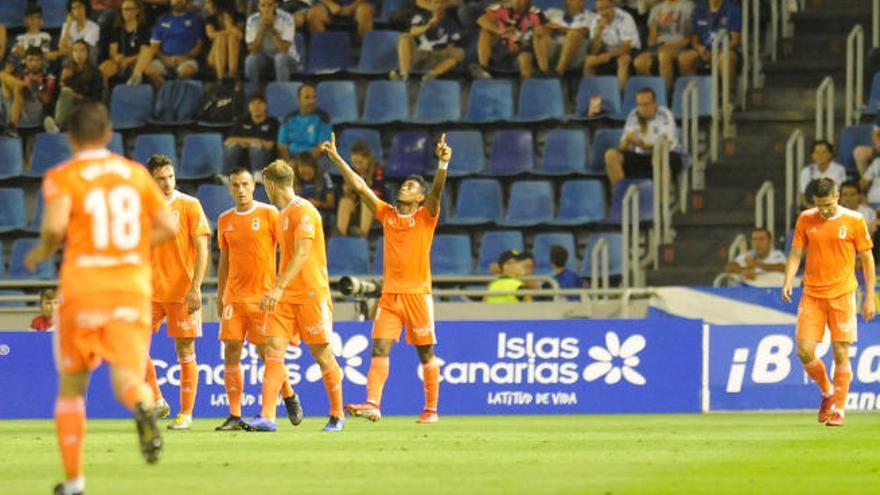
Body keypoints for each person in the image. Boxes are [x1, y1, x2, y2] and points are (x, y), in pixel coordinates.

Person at [24, 101, 176, 495]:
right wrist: (130, 248)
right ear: (109, 135)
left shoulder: (63, 175)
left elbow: (56, 227)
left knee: (73, 387)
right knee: (128, 376)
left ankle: (74, 482)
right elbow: (167, 226)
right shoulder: (135, 174)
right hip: (131, 287)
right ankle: (143, 406)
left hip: (84, 288)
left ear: (70, 138)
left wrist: (41, 250)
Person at [323, 132, 451, 424]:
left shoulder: (425, 217)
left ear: (419, 197)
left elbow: (438, 192)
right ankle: (373, 404)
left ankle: (431, 410)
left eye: (410, 187)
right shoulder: (388, 214)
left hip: (418, 295)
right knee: (379, 347)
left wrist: (442, 165)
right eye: (404, 185)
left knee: (426, 353)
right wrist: (337, 158)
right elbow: (359, 186)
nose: (403, 188)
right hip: (391, 296)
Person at [243, 159, 345, 432]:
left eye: (264, 185)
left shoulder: (304, 212)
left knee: (322, 355)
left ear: (271, 184)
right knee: (272, 350)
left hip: (312, 295)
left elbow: (302, 253)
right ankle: (267, 416)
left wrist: (276, 287)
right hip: (286, 298)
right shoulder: (283, 214)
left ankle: (337, 414)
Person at [782, 177, 876, 427]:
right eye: (818, 205)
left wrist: (869, 297)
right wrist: (789, 279)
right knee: (804, 351)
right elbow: (796, 252)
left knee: (841, 353)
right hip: (812, 294)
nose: (823, 210)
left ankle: (840, 411)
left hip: (843, 295)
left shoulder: (854, 220)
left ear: (837, 197)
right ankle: (827, 392)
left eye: (827, 205)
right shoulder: (805, 218)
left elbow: (867, 259)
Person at [215, 167, 302, 431]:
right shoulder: (224, 219)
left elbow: (287, 250)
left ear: (254, 186)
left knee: (265, 353)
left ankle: (288, 394)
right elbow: (225, 260)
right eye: (235, 185)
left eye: (245, 184)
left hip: (264, 297)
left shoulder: (269, 213)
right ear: (230, 188)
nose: (241, 190)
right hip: (235, 297)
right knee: (231, 349)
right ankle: (234, 414)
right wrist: (220, 294)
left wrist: (280, 289)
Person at [142, 155, 211, 431]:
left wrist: (196, 287)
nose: (167, 182)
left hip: (182, 292)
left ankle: (186, 414)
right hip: (149, 292)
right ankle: (157, 399)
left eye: (170, 176)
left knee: (185, 349)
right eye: (161, 178)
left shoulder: (189, 205)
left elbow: (203, 248)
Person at [604, 87, 682, 189]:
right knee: (611, 155)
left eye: (646, 104)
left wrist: (642, 145)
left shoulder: (664, 114)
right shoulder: (633, 115)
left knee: (659, 157)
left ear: (655, 104)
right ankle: (622, 198)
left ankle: (661, 202)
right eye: (639, 105)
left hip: (667, 155)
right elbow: (622, 148)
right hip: (641, 157)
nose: (642, 109)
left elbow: (665, 145)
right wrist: (627, 140)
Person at [129, 0, 205, 87]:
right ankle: (166, 90)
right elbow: (154, 46)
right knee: (149, 70)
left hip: (186, 59)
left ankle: (173, 91)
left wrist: (185, 57)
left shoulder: (195, 19)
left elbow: (199, 45)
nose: (178, 1)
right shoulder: (162, 19)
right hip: (164, 58)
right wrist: (165, 59)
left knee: (185, 71)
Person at [389, 0, 465, 82]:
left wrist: (440, 52)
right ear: (430, 5)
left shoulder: (451, 23)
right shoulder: (421, 17)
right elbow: (412, 31)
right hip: (420, 53)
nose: (438, 6)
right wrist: (429, 25)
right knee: (404, 37)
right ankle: (404, 75)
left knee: (459, 53)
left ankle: (431, 75)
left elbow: (451, 46)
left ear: (445, 5)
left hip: (437, 56)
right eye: (435, 3)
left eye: (441, 3)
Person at [473, 0, 550, 80]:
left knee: (525, 58)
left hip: (524, 47)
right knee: (485, 32)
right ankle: (484, 68)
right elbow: (481, 20)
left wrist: (521, 41)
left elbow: (542, 34)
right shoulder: (502, 9)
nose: (520, 2)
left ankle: (531, 82)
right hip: (503, 45)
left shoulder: (535, 13)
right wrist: (499, 31)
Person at [633, 0, 694, 91]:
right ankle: (652, 93)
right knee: (640, 62)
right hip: (660, 47)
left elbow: (689, 38)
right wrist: (653, 50)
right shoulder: (656, 9)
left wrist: (671, 46)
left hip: (681, 47)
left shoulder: (689, 6)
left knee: (664, 56)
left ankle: (667, 94)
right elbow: (652, 38)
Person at [678, 0, 740, 89]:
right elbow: (695, 40)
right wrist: (700, 48)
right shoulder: (699, 9)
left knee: (726, 58)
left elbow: (735, 41)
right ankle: (699, 94)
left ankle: (728, 97)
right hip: (704, 50)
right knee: (685, 58)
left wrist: (718, 51)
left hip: (724, 49)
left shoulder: (732, 9)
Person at [0, 47, 57, 138]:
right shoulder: (18, 74)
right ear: (25, 61)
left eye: (37, 60)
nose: (33, 63)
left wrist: (39, 85)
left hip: (33, 114)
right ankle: (12, 125)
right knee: (4, 76)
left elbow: (47, 101)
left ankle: (12, 126)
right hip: (12, 109)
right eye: (30, 60)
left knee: (17, 86)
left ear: (42, 61)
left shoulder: (49, 78)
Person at [47, 41, 103, 132]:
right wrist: (62, 80)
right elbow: (56, 97)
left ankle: (57, 126)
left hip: (86, 107)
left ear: (88, 53)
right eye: (75, 51)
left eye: (82, 51)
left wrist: (76, 96)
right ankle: (58, 125)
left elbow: (97, 98)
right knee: (65, 92)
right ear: (71, 54)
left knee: (67, 92)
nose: (78, 54)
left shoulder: (95, 72)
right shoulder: (66, 70)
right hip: (68, 107)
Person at [583, 0, 640, 89]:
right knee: (589, 61)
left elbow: (626, 48)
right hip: (607, 52)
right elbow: (594, 51)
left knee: (623, 61)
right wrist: (598, 32)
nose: (603, 12)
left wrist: (608, 55)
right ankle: (592, 95)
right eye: (600, 9)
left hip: (630, 52)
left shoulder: (625, 18)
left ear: (613, 6)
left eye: (606, 8)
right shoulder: (595, 20)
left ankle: (622, 97)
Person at [99, 0, 151, 91]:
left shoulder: (144, 29)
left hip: (137, 60)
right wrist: (116, 57)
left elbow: (145, 52)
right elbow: (113, 51)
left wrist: (128, 60)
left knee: (147, 67)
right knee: (103, 68)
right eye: (123, 9)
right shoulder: (117, 29)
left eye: (129, 9)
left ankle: (135, 80)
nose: (125, 12)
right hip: (120, 61)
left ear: (137, 10)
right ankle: (105, 97)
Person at [244, 0, 299, 85]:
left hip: (288, 58)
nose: (266, 9)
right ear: (258, 7)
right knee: (250, 60)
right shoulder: (252, 20)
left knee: (280, 58)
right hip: (264, 58)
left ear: (276, 6)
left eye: (270, 5)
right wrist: (263, 28)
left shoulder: (287, 18)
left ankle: (283, 92)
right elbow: (253, 50)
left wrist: (272, 29)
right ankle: (253, 93)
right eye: (263, 5)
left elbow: (284, 49)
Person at [336, 140, 384, 237]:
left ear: (368, 159)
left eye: (361, 162)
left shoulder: (377, 171)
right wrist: (347, 191)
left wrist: (360, 193)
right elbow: (349, 194)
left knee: (366, 202)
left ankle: (362, 236)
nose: (358, 166)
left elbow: (377, 194)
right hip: (357, 207)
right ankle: (341, 237)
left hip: (375, 207)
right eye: (354, 163)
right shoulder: (352, 172)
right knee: (345, 202)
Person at [223, 93, 278, 174]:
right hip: (243, 157)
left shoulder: (273, 122)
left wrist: (250, 143)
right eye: (253, 104)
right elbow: (228, 140)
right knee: (231, 147)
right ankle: (227, 176)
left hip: (264, 158)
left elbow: (270, 145)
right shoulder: (242, 121)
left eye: (260, 103)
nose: (256, 107)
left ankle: (258, 175)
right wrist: (253, 141)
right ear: (249, 107)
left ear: (265, 106)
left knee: (255, 148)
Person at [277, 83, 332, 161]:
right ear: (299, 99)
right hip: (291, 160)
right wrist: (288, 163)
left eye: (314, 97)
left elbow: (322, 147)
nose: (311, 101)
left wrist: (303, 163)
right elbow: (282, 146)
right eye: (307, 97)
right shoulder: (288, 118)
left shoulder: (323, 118)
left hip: (315, 160)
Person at [541, 0, 592, 77]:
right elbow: (536, 18)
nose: (567, 2)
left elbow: (585, 32)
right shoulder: (553, 13)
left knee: (573, 34)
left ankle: (558, 72)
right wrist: (547, 26)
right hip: (553, 52)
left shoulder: (590, 16)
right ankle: (544, 71)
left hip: (576, 55)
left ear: (582, 2)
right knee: (540, 31)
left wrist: (561, 29)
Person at [203, 0, 244, 83]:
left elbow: (239, 35)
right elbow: (211, 35)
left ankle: (232, 74)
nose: (206, 6)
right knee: (221, 38)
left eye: (208, 3)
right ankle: (221, 77)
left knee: (232, 37)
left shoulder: (239, 16)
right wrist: (229, 30)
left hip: (236, 54)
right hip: (214, 57)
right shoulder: (210, 18)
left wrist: (230, 25)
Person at [799, 140, 846, 207]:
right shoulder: (806, 171)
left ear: (830, 154)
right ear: (812, 155)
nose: (820, 155)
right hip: (812, 207)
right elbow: (803, 195)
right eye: (817, 152)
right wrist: (812, 209)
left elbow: (841, 193)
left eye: (823, 152)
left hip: (833, 207)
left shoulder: (839, 170)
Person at [292, 152, 336, 217]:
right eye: (303, 173)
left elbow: (331, 204)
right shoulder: (292, 179)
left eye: (308, 168)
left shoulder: (324, 177)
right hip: (298, 213)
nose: (306, 170)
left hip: (320, 213)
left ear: (314, 168)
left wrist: (319, 204)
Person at [307, 0, 374, 41]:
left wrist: (350, 9)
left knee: (365, 10)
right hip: (332, 9)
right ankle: (322, 43)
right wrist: (337, 9)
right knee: (313, 13)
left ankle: (364, 46)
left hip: (358, 7)